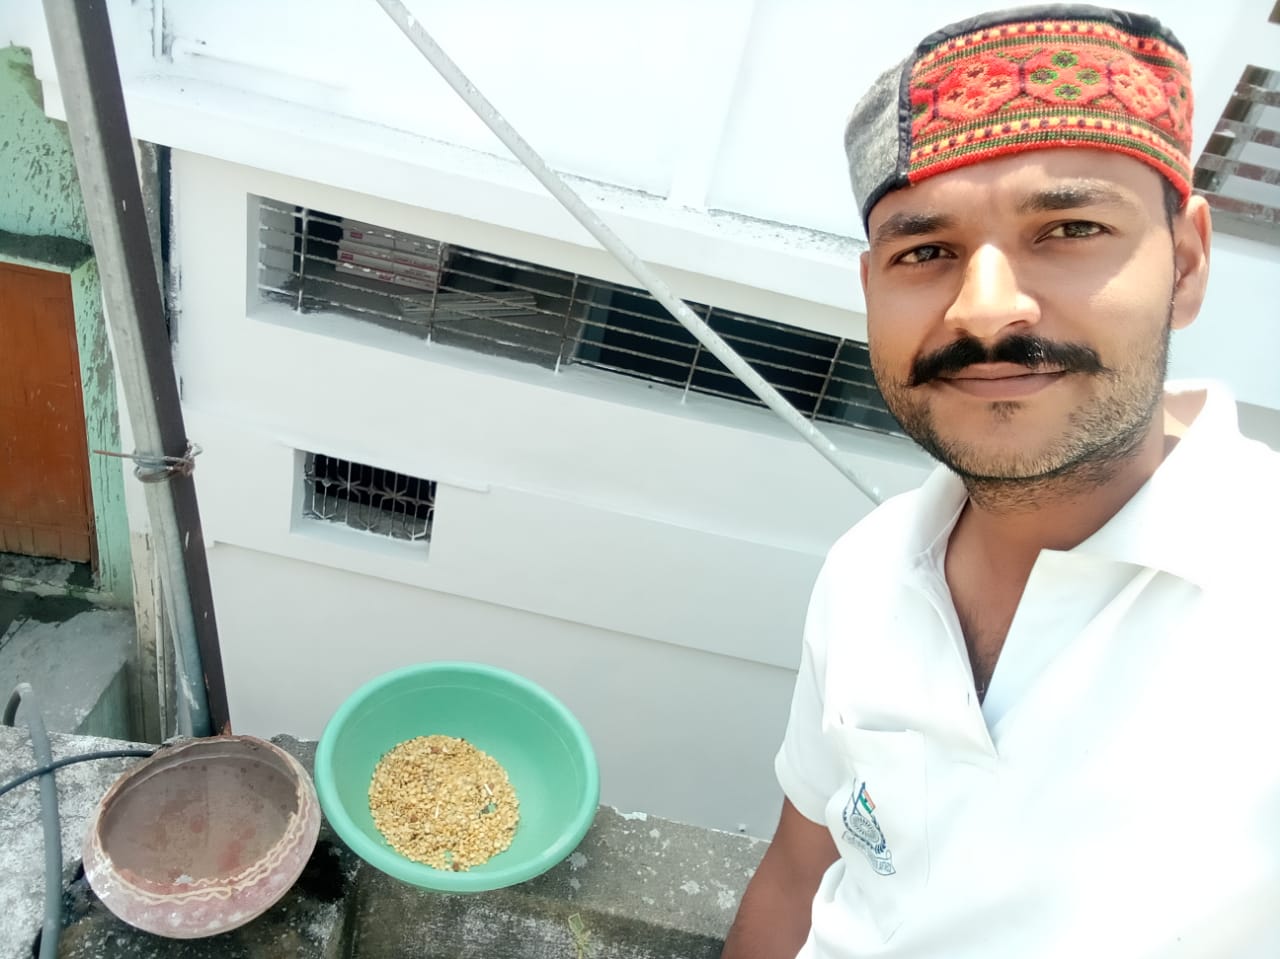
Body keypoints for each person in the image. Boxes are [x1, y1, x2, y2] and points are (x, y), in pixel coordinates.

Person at [721, 5, 1280, 958]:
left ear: (1186, 260)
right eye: (924, 252)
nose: (985, 309)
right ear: (870, 289)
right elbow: (799, 871)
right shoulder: (867, 570)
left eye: (1067, 227)